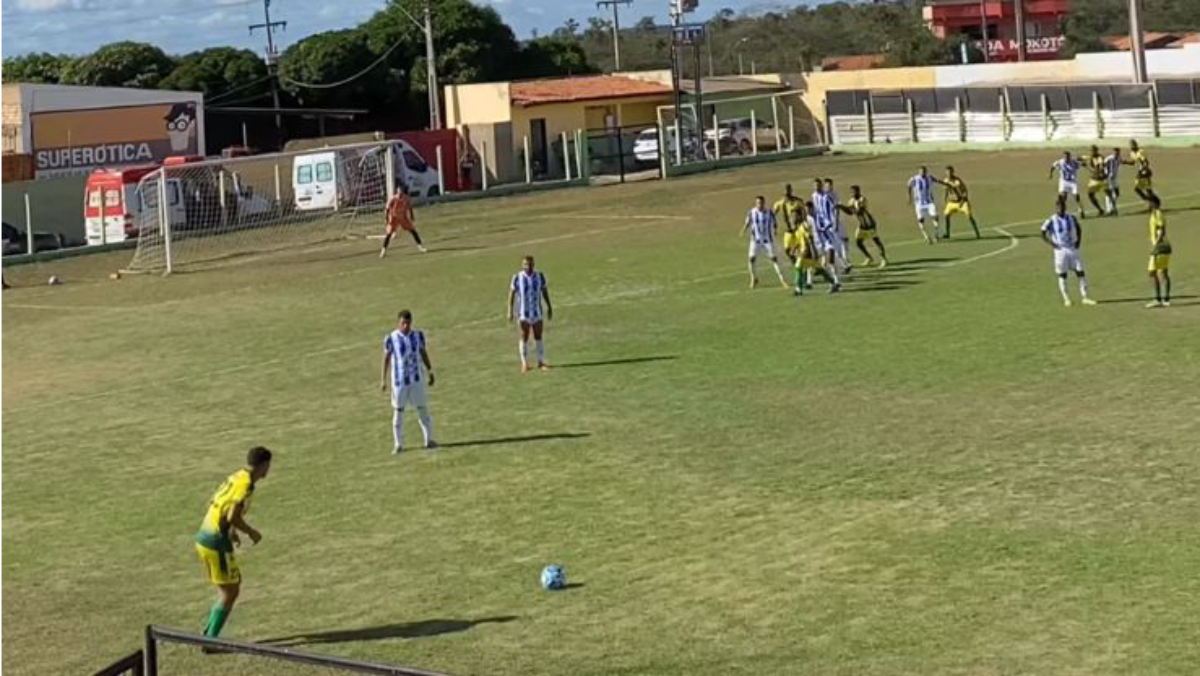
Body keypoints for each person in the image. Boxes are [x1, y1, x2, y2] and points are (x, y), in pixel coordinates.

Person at [195, 446, 273, 641]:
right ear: (263, 465)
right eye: (268, 466)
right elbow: (232, 515)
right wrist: (250, 532)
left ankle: (208, 634)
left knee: (229, 588)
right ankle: (210, 640)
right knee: (231, 591)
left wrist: (231, 531)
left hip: (204, 535)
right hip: (215, 542)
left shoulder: (237, 476)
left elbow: (215, 502)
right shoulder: (246, 485)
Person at [380, 310, 436, 453]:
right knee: (398, 411)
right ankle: (398, 444)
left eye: (408, 323)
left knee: (423, 409)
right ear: (398, 323)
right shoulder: (391, 338)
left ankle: (428, 440)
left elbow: (423, 352)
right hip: (399, 383)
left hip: (416, 381)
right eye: (403, 323)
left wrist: (430, 370)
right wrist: (383, 379)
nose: (406, 326)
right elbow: (386, 358)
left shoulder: (418, 336)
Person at [1040, 196, 1097, 307]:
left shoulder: (1071, 218)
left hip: (1072, 248)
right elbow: (1042, 232)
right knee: (1062, 274)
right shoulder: (1051, 220)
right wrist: (1052, 244)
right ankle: (1066, 299)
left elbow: (1079, 228)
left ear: (1065, 207)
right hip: (1060, 250)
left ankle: (1085, 297)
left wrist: (1078, 242)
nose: (1060, 208)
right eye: (1058, 206)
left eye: (1062, 206)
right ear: (1056, 208)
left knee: (1080, 272)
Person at [507, 255, 553, 372]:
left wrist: (549, 306)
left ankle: (541, 361)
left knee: (538, 336)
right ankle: (524, 364)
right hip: (523, 313)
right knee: (524, 336)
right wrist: (510, 310)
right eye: (526, 264)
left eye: (530, 264)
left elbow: (544, 291)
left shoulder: (540, 276)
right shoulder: (517, 277)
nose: (528, 266)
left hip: (537, 312)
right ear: (522, 265)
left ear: (534, 264)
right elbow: (512, 294)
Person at [740, 196, 789, 289]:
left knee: (774, 259)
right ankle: (753, 278)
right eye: (758, 203)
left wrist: (775, 230)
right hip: (755, 240)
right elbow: (747, 222)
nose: (759, 205)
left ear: (764, 203)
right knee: (751, 258)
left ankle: (782, 280)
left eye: (761, 203)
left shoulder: (769, 212)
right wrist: (743, 230)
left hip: (767, 240)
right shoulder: (752, 212)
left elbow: (775, 223)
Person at [809, 185, 843, 294]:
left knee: (830, 260)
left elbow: (834, 209)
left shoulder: (822, 216)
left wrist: (833, 225)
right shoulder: (809, 219)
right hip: (818, 243)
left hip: (828, 239)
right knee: (815, 262)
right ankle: (809, 281)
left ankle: (836, 282)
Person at [380, 186, 427, 258]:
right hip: (394, 218)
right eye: (398, 191)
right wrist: (386, 219)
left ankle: (420, 247)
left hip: (403, 217)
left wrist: (412, 216)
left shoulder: (406, 198)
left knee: (413, 231)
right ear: (397, 191)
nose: (400, 192)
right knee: (388, 234)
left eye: (401, 191)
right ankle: (383, 251)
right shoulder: (393, 198)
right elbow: (387, 209)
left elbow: (410, 208)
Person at [846, 185, 887, 267]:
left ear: (859, 191)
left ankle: (883, 259)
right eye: (851, 192)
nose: (853, 193)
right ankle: (869, 258)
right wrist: (841, 208)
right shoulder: (851, 201)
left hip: (869, 224)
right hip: (861, 225)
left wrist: (844, 207)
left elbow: (860, 211)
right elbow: (849, 212)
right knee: (858, 242)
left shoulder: (862, 199)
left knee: (876, 240)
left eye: (854, 191)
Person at [935, 166, 981, 239]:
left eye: (950, 172)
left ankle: (977, 233)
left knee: (969, 216)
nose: (948, 174)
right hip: (952, 203)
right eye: (947, 172)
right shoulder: (946, 180)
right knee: (946, 215)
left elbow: (964, 191)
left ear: (953, 172)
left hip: (961, 201)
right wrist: (944, 199)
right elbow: (946, 190)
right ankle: (947, 233)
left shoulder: (957, 181)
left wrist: (962, 201)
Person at [1145, 194, 1172, 308]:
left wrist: (1156, 245)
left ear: (1154, 203)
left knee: (1152, 272)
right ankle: (1166, 299)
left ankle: (1158, 299)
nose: (1148, 204)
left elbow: (1161, 229)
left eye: (1150, 202)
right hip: (1164, 246)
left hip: (1160, 247)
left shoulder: (1157, 214)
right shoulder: (1155, 213)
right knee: (1163, 272)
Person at [907, 166, 940, 244]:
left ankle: (936, 234)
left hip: (929, 202)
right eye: (921, 171)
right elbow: (908, 185)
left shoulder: (929, 177)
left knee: (935, 217)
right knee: (921, 220)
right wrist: (909, 197)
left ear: (926, 172)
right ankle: (926, 237)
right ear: (919, 172)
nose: (922, 173)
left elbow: (937, 180)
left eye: (924, 171)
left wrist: (946, 184)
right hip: (919, 203)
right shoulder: (914, 179)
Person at [825, 178, 852, 273]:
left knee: (842, 241)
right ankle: (844, 263)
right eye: (826, 185)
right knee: (836, 244)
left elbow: (836, 209)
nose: (827, 187)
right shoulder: (824, 196)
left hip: (836, 222)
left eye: (829, 185)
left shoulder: (834, 195)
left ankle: (845, 262)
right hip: (829, 224)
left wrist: (836, 222)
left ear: (831, 185)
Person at [774, 184, 807, 264]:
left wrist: (803, 223)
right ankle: (795, 262)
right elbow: (772, 215)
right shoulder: (779, 203)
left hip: (798, 229)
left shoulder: (797, 201)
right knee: (787, 249)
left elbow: (805, 213)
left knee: (802, 249)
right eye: (785, 190)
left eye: (788, 190)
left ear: (791, 191)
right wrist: (774, 226)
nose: (787, 192)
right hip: (788, 230)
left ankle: (807, 265)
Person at [1048, 151, 1084, 217]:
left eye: (1067, 156)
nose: (1066, 158)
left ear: (1069, 156)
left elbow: (1082, 164)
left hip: (1072, 181)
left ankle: (1081, 209)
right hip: (1063, 181)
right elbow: (1052, 166)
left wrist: (1081, 161)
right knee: (1063, 196)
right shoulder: (1060, 162)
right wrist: (1050, 174)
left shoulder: (1074, 162)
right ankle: (1061, 210)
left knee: (1076, 196)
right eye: (1065, 157)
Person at [1125, 139, 1157, 208]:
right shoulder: (1132, 153)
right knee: (1138, 189)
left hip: (1145, 171)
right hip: (1141, 171)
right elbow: (1133, 162)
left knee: (1147, 189)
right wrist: (1125, 162)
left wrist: (1144, 170)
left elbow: (1146, 162)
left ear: (1136, 145)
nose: (1131, 146)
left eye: (1132, 145)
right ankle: (1151, 201)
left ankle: (1153, 203)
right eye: (1130, 145)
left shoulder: (1140, 151)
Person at [1082, 145, 1108, 218]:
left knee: (1108, 194)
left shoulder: (1099, 159)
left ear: (1096, 151)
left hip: (1099, 179)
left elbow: (1097, 171)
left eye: (1092, 150)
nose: (1091, 152)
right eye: (1091, 151)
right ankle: (1102, 210)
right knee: (1091, 195)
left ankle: (1109, 210)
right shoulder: (1095, 157)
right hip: (1097, 179)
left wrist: (1086, 166)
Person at [1103, 147, 1123, 215]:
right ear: (1113, 152)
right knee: (1109, 193)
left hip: (1115, 178)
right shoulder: (1109, 158)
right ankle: (1110, 209)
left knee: (1117, 193)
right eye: (1115, 152)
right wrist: (1107, 173)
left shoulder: (1119, 158)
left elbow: (1122, 162)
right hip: (1109, 178)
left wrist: (1130, 163)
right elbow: (1103, 165)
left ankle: (1111, 207)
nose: (1116, 153)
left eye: (1118, 152)